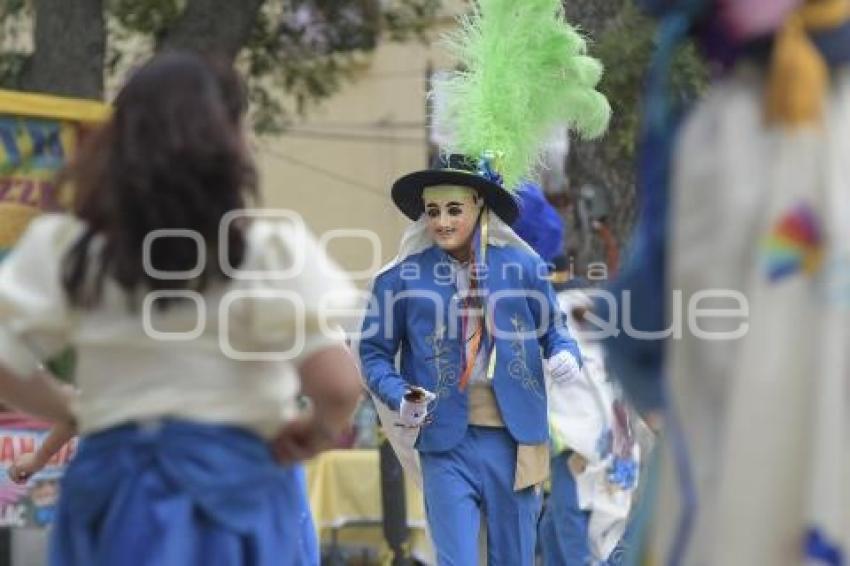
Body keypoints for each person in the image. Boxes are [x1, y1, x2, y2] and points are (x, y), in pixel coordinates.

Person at [0, 51, 361, 565]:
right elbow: (338, 384)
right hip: (238, 483)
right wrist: (318, 430)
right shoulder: (269, 247)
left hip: (113, 485)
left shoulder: (67, 248)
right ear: (230, 142)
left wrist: (74, 409)